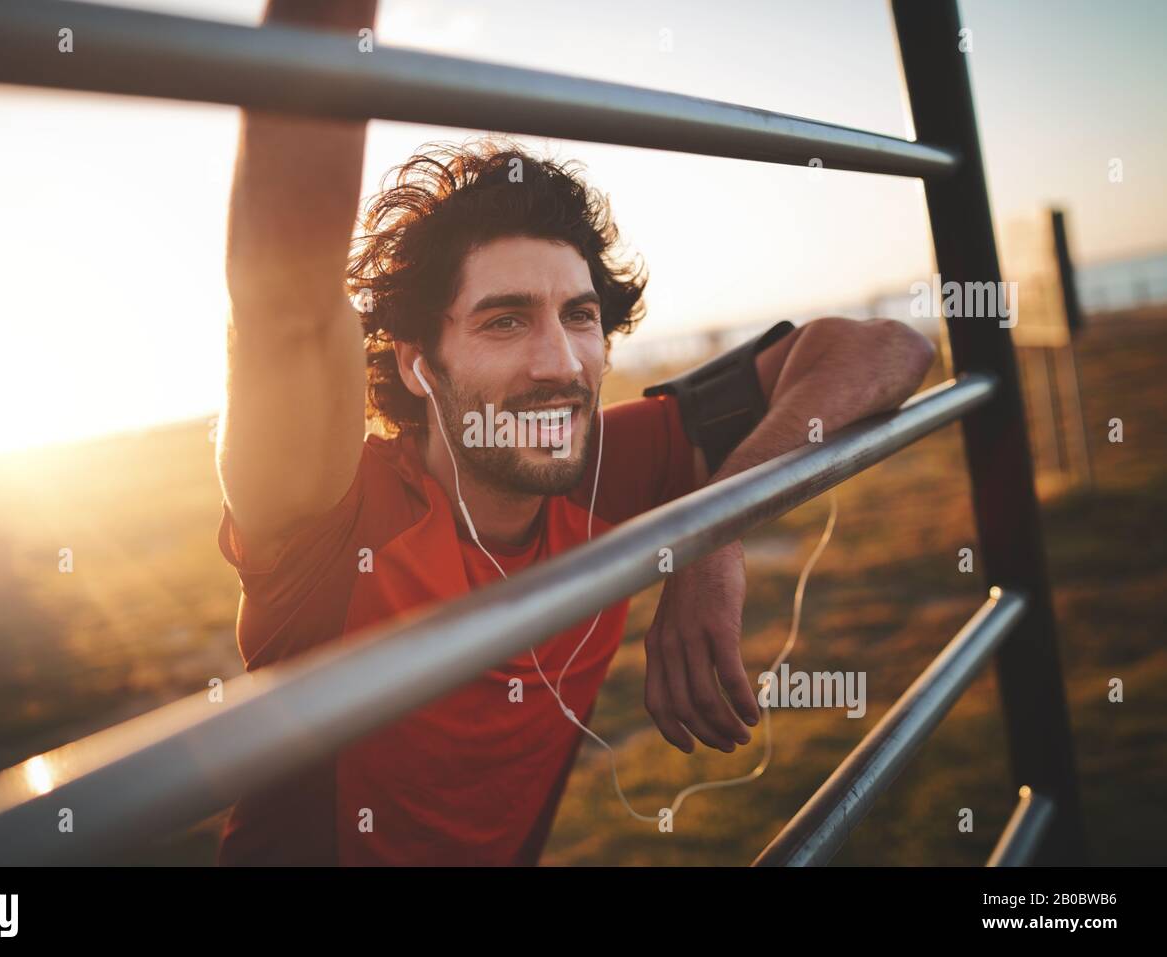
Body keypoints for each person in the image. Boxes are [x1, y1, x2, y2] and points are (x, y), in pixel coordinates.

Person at [214, 0, 936, 866]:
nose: (560, 362)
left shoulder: (609, 469)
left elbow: (883, 347)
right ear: (416, 363)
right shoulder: (336, 521)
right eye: (505, 321)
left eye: (580, 314)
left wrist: (714, 527)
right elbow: (287, 294)